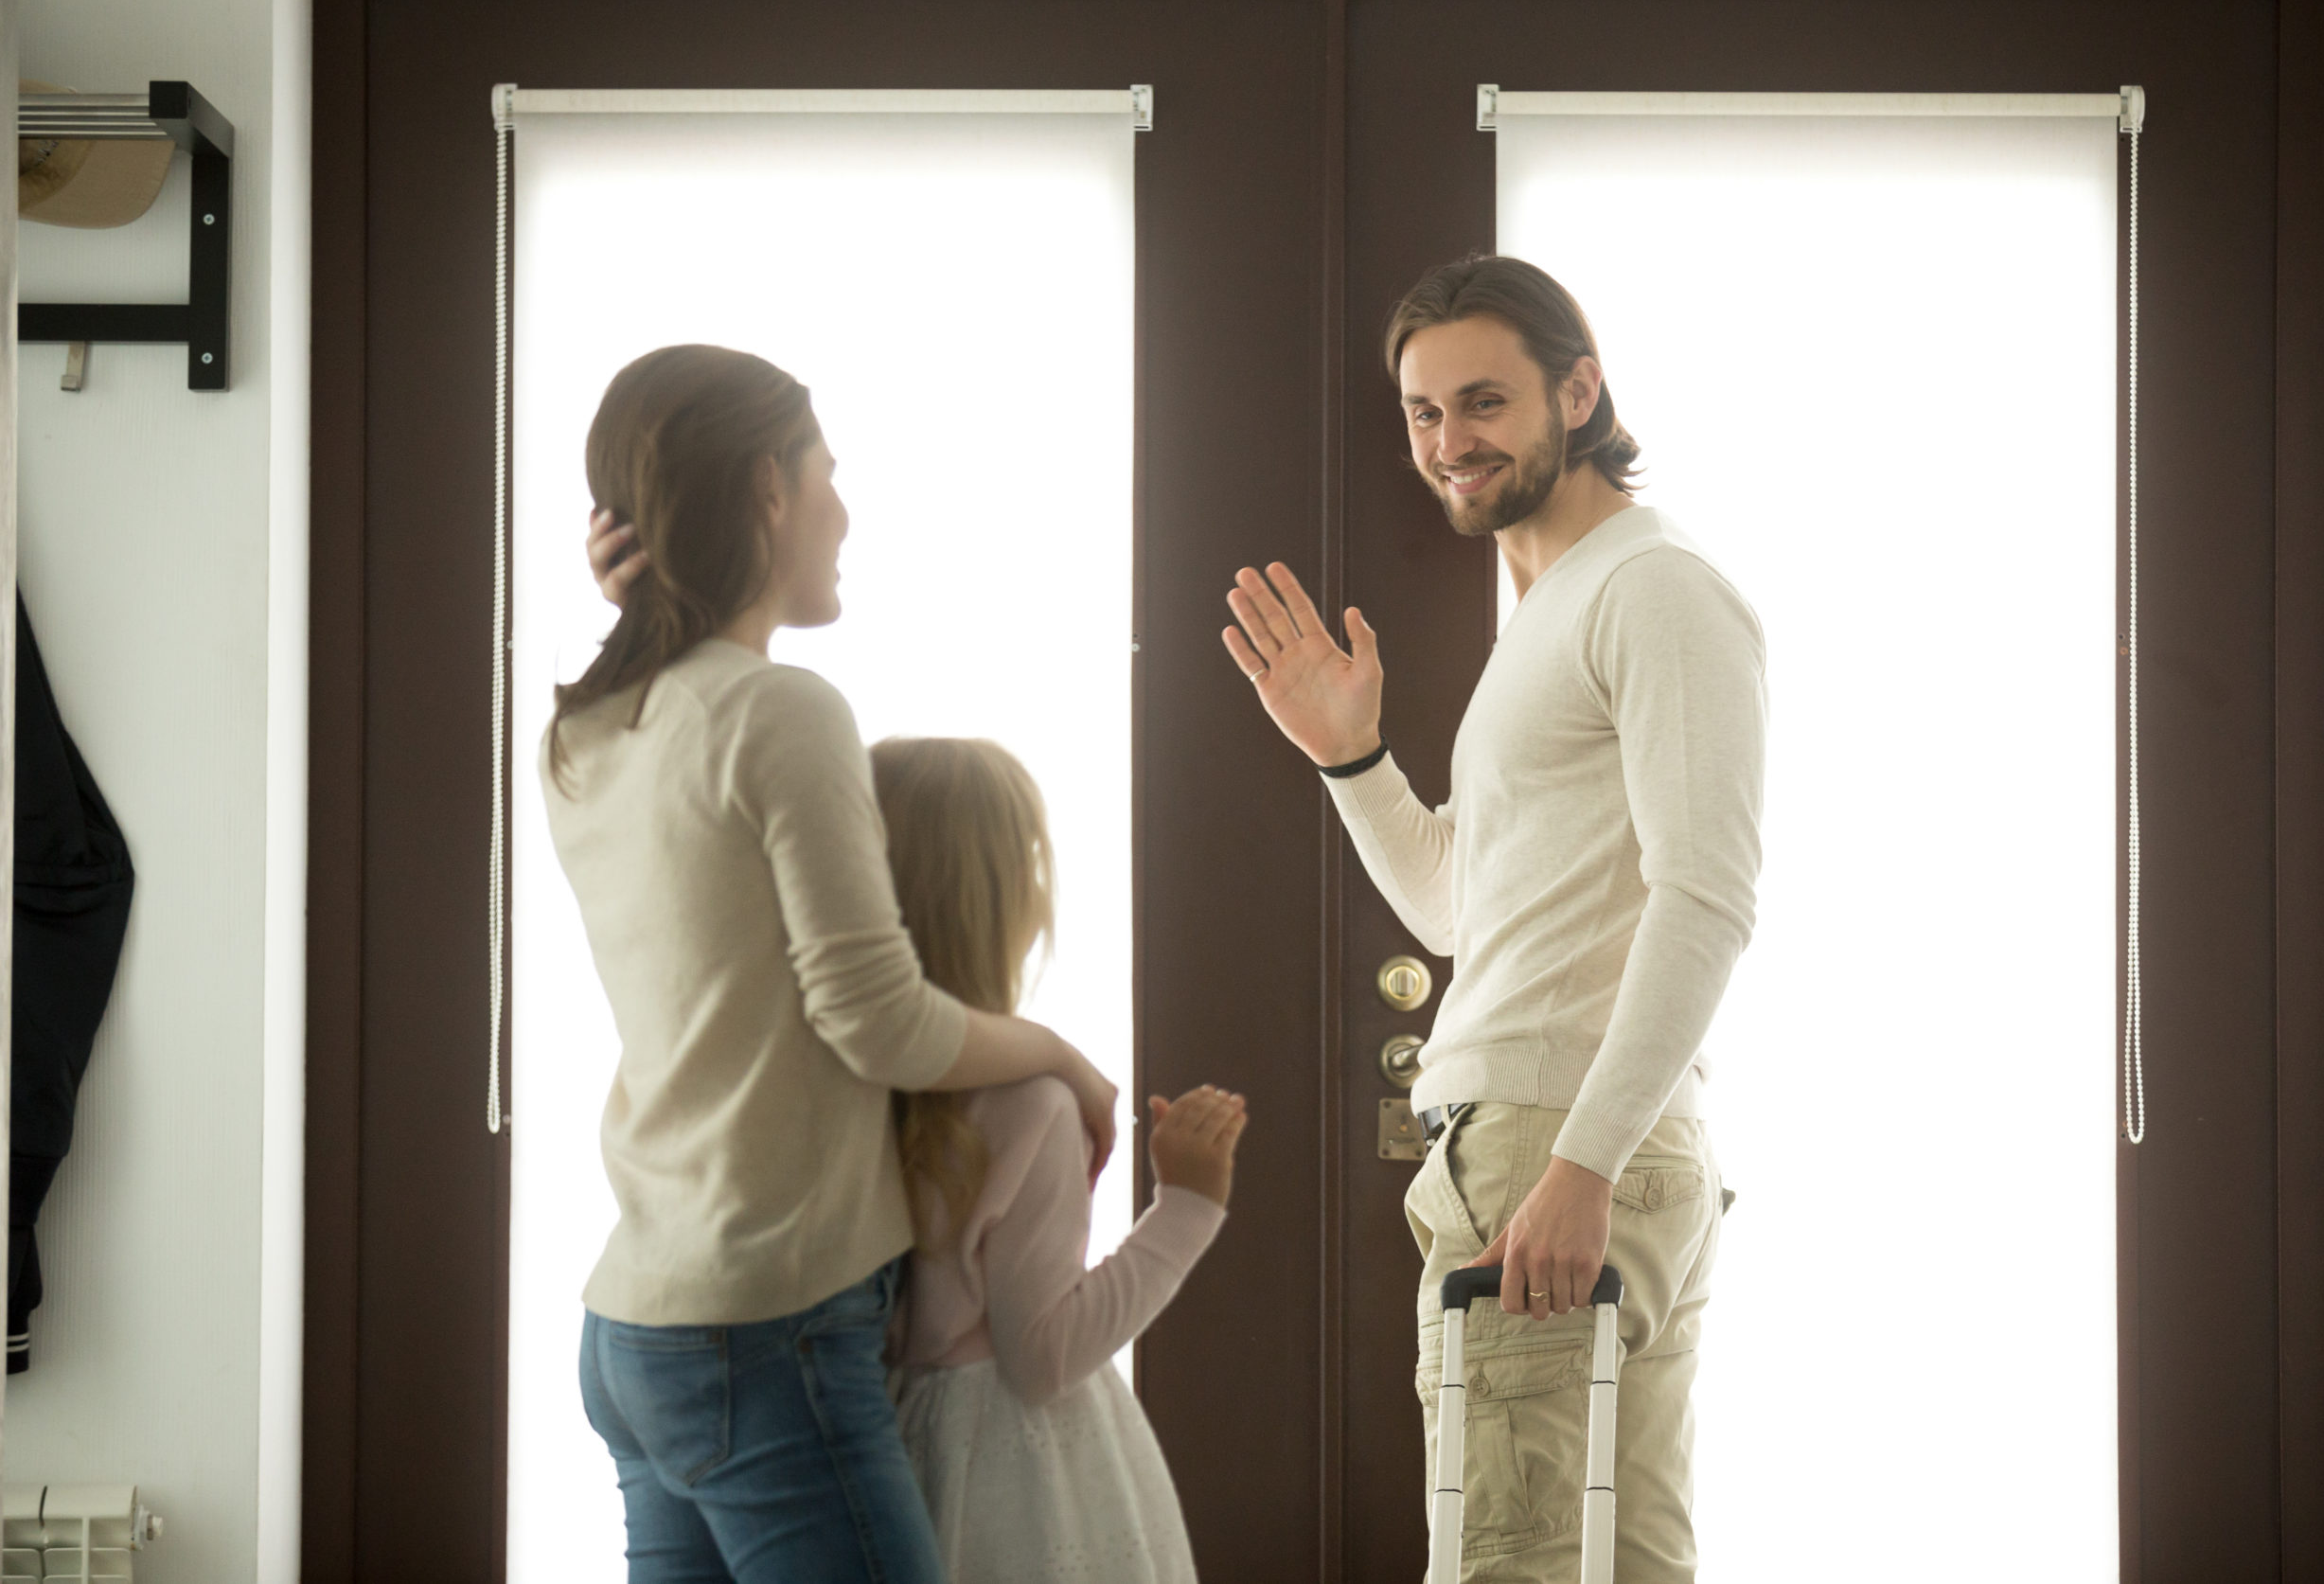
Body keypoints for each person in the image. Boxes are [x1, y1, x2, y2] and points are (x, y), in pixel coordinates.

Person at [1219, 255, 1765, 1582]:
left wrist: (1578, 1164)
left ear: (1578, 392)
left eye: (1483, 401)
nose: (1449, 442)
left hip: (1560, 1148)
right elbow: (1463, 906)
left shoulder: (1652, 587)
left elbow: (1708, 895)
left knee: (1508, 1561)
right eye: (1422, 412)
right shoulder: (1556, 603)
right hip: (1569, 1141)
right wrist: (1352, 760)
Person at [545, 344, 1119, 1584]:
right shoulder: (779, 709)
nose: (842, 510)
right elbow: (881, 1023)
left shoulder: (589, 729)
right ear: (766, 489)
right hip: (763, 1328)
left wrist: (642, 613)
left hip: (637, 1323)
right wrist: (1060, 1054)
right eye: (827, 473)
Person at [868, 736, 1244, 1583]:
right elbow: (1041, 1357)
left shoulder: (847, 1084)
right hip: (1014, 1475)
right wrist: (1185, 1208)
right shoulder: (1032, 1105)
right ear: (1011, 896)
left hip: (890, 1437)